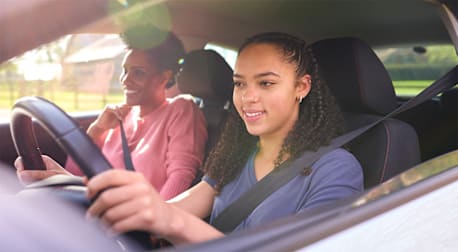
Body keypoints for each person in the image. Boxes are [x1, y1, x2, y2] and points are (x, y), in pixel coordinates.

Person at [16, 32, 363, 245]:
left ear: (301, 87)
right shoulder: (237, 152)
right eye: (240, 83)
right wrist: (77, 187)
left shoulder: (336, 169)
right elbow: (173, 210)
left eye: (266, 83)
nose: (247, 97)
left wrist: (168, 221)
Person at [16, 25, 208, 200]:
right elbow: (76, 174)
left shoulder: (181, 109)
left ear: (165, 77)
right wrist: (97, 130)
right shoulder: (117, 118)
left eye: (138, 72)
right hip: (97, 216)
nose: (125, 80)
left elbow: (182, 174)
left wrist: (157, 228)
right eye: (125, 71)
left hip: (138, 230)